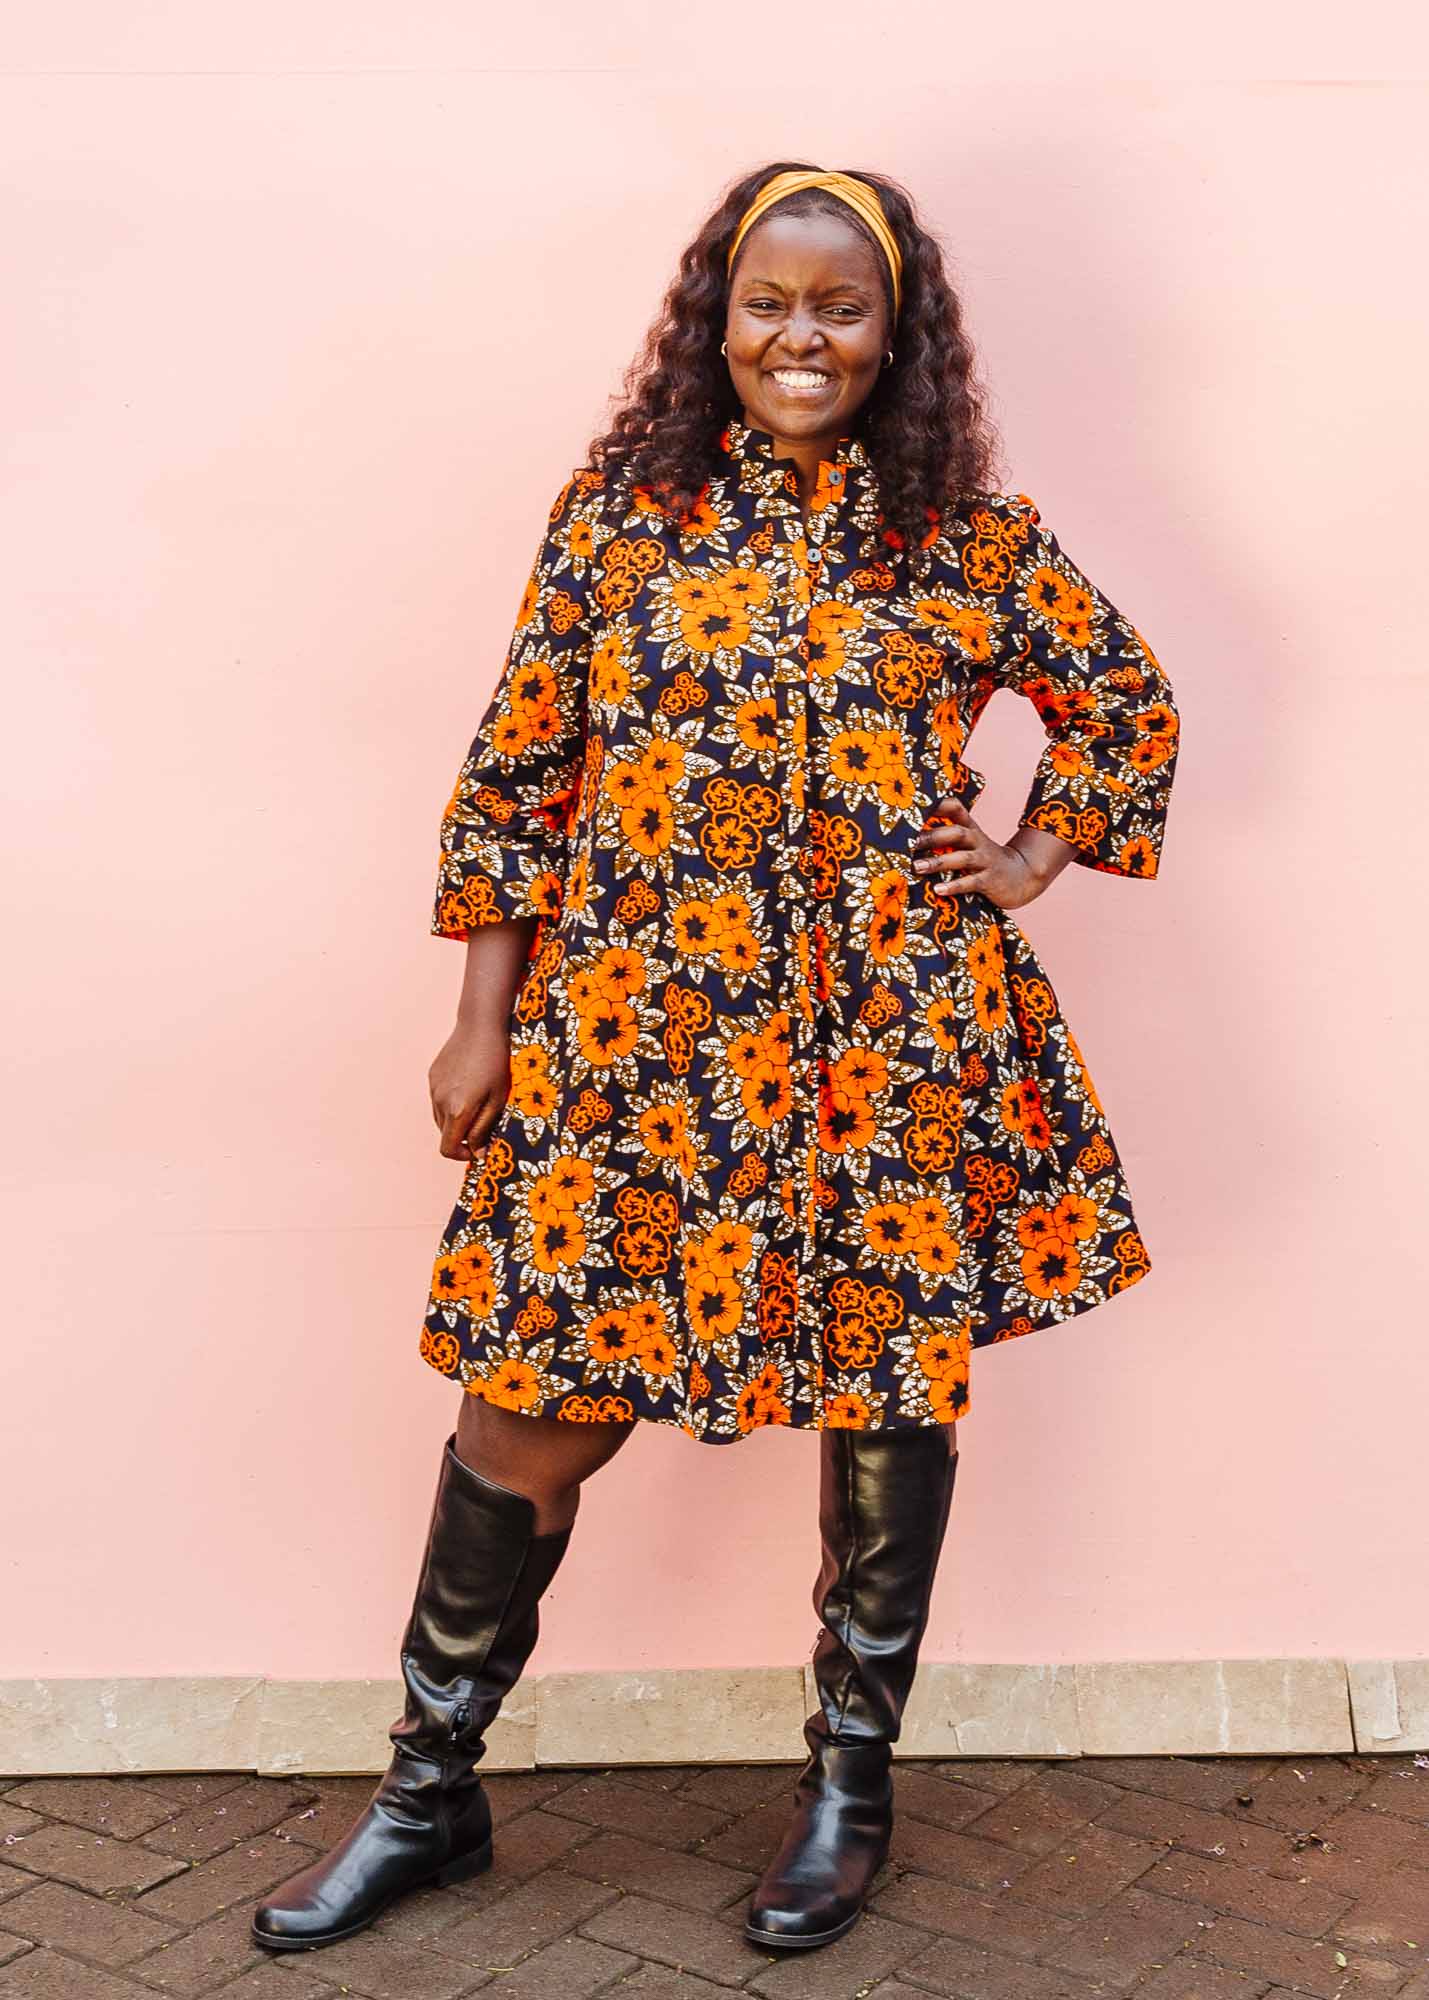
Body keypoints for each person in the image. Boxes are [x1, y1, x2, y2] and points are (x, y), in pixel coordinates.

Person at [252, 160, 1180, 1958]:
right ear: (716, 318)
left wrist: (1031, 855)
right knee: (528, 1398)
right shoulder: (618, 517)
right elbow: (518, 773)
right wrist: (479, 1013)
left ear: (894, 334)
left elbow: (1126, 702)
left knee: (881, 1400)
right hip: (635, 1043)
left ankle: (846, 1794)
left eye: (839, 306)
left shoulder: (967, 540)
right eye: (769, 301)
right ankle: (426, 1797)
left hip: (884, 1039)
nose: (800, 335)